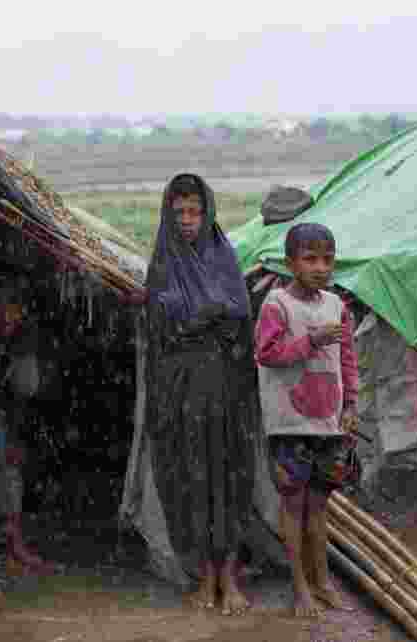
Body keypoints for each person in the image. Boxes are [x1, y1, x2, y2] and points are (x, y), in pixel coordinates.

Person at [119, 174, 259, 615]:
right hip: (180, 392)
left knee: (229, 479)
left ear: (208, 212)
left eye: (194, 211)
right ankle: (204, 578)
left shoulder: (223, 259)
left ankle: (229, 578)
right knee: (191, 479)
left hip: (224, 389)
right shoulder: (163, 264)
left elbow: (239, 321)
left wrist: (202, 317)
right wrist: (200, 315)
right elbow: (161, 332)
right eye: (178, 212)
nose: (186, 221)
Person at [254, 222, 358, 617]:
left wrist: (350, 406)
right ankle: (300, 587)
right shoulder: (277, 304)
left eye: (327, 259)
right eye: (310, 259)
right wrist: (311, 341)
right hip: (289, 424)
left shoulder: (337, 306)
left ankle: (322, 583)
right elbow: (267, 353)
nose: (320, 267)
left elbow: (348, 361)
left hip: (328, 424)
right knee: (293, 505)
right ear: (290, 263)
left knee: (318, 507)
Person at [0, 281, 61, 576]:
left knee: (9, 467)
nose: (7, 318)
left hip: (4, 414)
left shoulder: (24, 339)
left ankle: (11, 541)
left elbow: (24, 390)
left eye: (13, 312)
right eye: (1, 311)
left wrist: (14, 436)